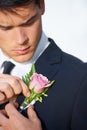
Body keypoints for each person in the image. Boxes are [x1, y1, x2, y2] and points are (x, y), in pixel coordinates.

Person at [0, 0, 87, 130]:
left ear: (41, 5)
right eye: (5, 28)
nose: (21, 40)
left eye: (29, 22)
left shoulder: (82, 79)